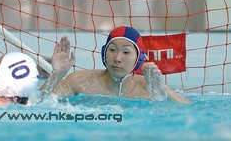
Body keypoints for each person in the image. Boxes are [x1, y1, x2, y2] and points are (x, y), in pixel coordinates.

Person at [41, 25, 190, 104]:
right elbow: (37, 103)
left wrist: (162, 89)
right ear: (104, 53)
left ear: (139, 59)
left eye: (126, 52)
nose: (117, 58)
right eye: (112, 50)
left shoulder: (149, 88)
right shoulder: (81, 81)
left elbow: (186, 107)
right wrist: (57, 75)